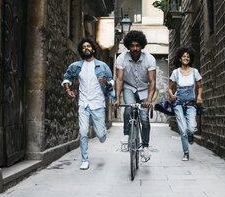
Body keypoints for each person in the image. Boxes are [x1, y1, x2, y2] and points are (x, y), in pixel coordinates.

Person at [62, 38, 115, 170]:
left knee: (101, 135)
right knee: (83, 132)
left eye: (88, 46)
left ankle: (102, 133)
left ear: (93, 49)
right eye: (84, 47)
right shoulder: (76, 66)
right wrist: (68, 90)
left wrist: (106, 83)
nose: (86, 48)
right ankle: (84, 159)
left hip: (98, 104)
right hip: (83, 104)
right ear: (81, 50)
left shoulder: (102, 66)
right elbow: (66, 77)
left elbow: (111, 82)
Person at [113, 30, 156, 161]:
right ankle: (126, 135)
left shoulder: (149, 59)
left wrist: (149, 100)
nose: (135, 48)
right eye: (132, 45)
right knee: (129, 108)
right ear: (128, 46)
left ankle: (146, 146)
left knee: (144, 117)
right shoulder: (121, 58)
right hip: (129, 87)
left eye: (138, 45)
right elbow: (119, 80)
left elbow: (152, 81)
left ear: (142, 45)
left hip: (144, 88)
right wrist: (117, 98)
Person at [168, 47, 203, 161]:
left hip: (191, 103)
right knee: (183, 129)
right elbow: (170, 88)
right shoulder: (175, 72)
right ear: (180, 58)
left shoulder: (195, 72)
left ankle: (191, 134)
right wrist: (172, 95)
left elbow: (199, 87)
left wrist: (199, 96)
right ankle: (186, 152)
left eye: (188, 56)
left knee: (192, 128)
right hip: (178, 102)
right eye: (184, 56)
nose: (186, 58)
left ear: (190, 58)